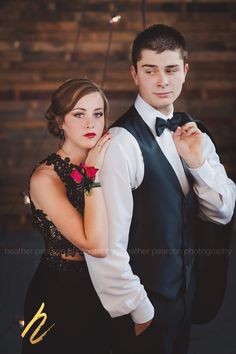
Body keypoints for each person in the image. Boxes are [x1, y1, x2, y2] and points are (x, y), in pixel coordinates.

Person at [84, 24, 236, 354]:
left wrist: (196, 163)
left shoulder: (195, 132)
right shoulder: (121, 143)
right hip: (142, 309)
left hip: (185, 301)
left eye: (170, 70)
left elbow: (222, 212)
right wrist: (139, 310)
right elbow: (107, 246)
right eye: (150, 70)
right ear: (134, 74)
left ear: (185, 71)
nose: (162, 81)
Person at [21, 78, 112, 354]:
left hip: (105, 288)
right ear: (60, 121)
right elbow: (95, 245)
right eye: (78, 114)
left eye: (97, 114)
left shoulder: (110, 160)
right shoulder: (45, 179)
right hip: (59, 295)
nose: (90, 124)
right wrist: (93, 175)